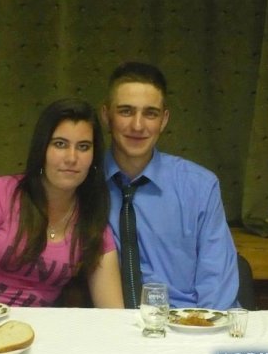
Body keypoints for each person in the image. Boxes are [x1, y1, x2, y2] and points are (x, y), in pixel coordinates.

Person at [0, 98, 123, 308]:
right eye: (60, 144)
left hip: (33, 328)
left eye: (83, 147)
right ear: (41, 149)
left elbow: (113, 313)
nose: (72, 158)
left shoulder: (92, 220)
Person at [101, 61, 238, 310]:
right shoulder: (85, 184)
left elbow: (217, 286)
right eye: (126, 111)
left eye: (150, 114)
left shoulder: (200, 187)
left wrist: (197, 330)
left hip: (190, 318)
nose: (138, 125)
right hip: (119, 322)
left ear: (164, 120)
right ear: (106, 115)